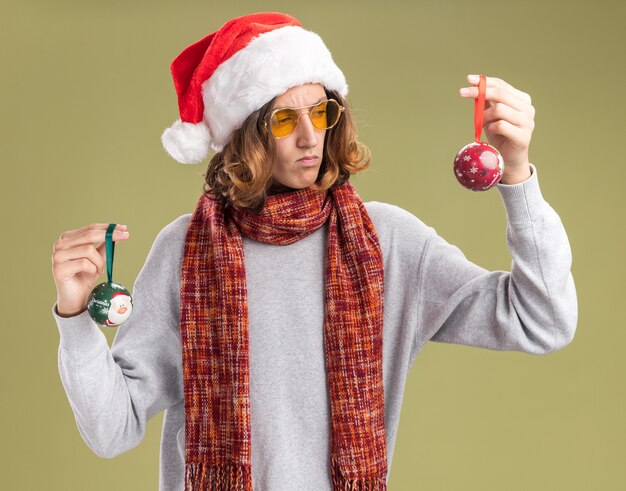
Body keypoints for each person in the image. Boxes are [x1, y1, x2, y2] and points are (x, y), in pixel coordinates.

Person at [50, 11, 578, 491]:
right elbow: (112, 430)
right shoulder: (184, 252)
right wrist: (75, 317)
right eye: (284, 119)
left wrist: (518, 177)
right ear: (244, 135)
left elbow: (542, 320)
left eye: (321, 111)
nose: (309, 136)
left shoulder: (387, 243)